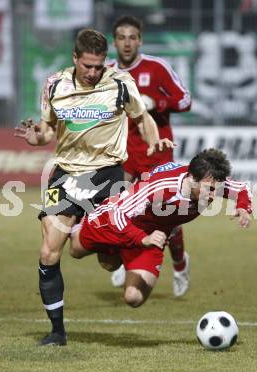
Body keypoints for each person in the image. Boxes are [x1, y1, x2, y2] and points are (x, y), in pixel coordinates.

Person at [14, 28, 174, 346]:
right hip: (66, 176)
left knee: (108, 261)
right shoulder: (55, 84)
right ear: (75, 58)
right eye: (87, 65)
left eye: (99, 65)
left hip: (107, 175)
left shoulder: (119, 83)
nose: (93, 72)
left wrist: (155, 142)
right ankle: (57, 332)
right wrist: (36, 138)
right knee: (48, 251)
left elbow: (143, 118)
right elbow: (47, 131)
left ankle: (98, 242)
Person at [71, 149, 252, 309]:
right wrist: (141, 238)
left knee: (133, 298)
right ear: (192, 179)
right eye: (210, 190)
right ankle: (81, 215)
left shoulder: (210, 180)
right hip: (115, 222)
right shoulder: (160, 187)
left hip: (153, 236)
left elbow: (241, 188)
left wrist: (244, 206)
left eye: (217, 190)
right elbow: (117, 212)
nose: (214, 196)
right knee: (76, 251)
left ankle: (119, 257)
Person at [107, 16, 192, 296]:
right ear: (114, 41)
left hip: (158, 151)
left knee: (167, 216)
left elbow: (185, 100)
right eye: (122, 37)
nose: (127, 43)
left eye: (133, 37)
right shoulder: (108, 73)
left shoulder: (157, 68)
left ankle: (179, 263)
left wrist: (158, 102)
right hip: (124, 153)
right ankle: (125, 258)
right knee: (119, 207)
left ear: (140, 40)